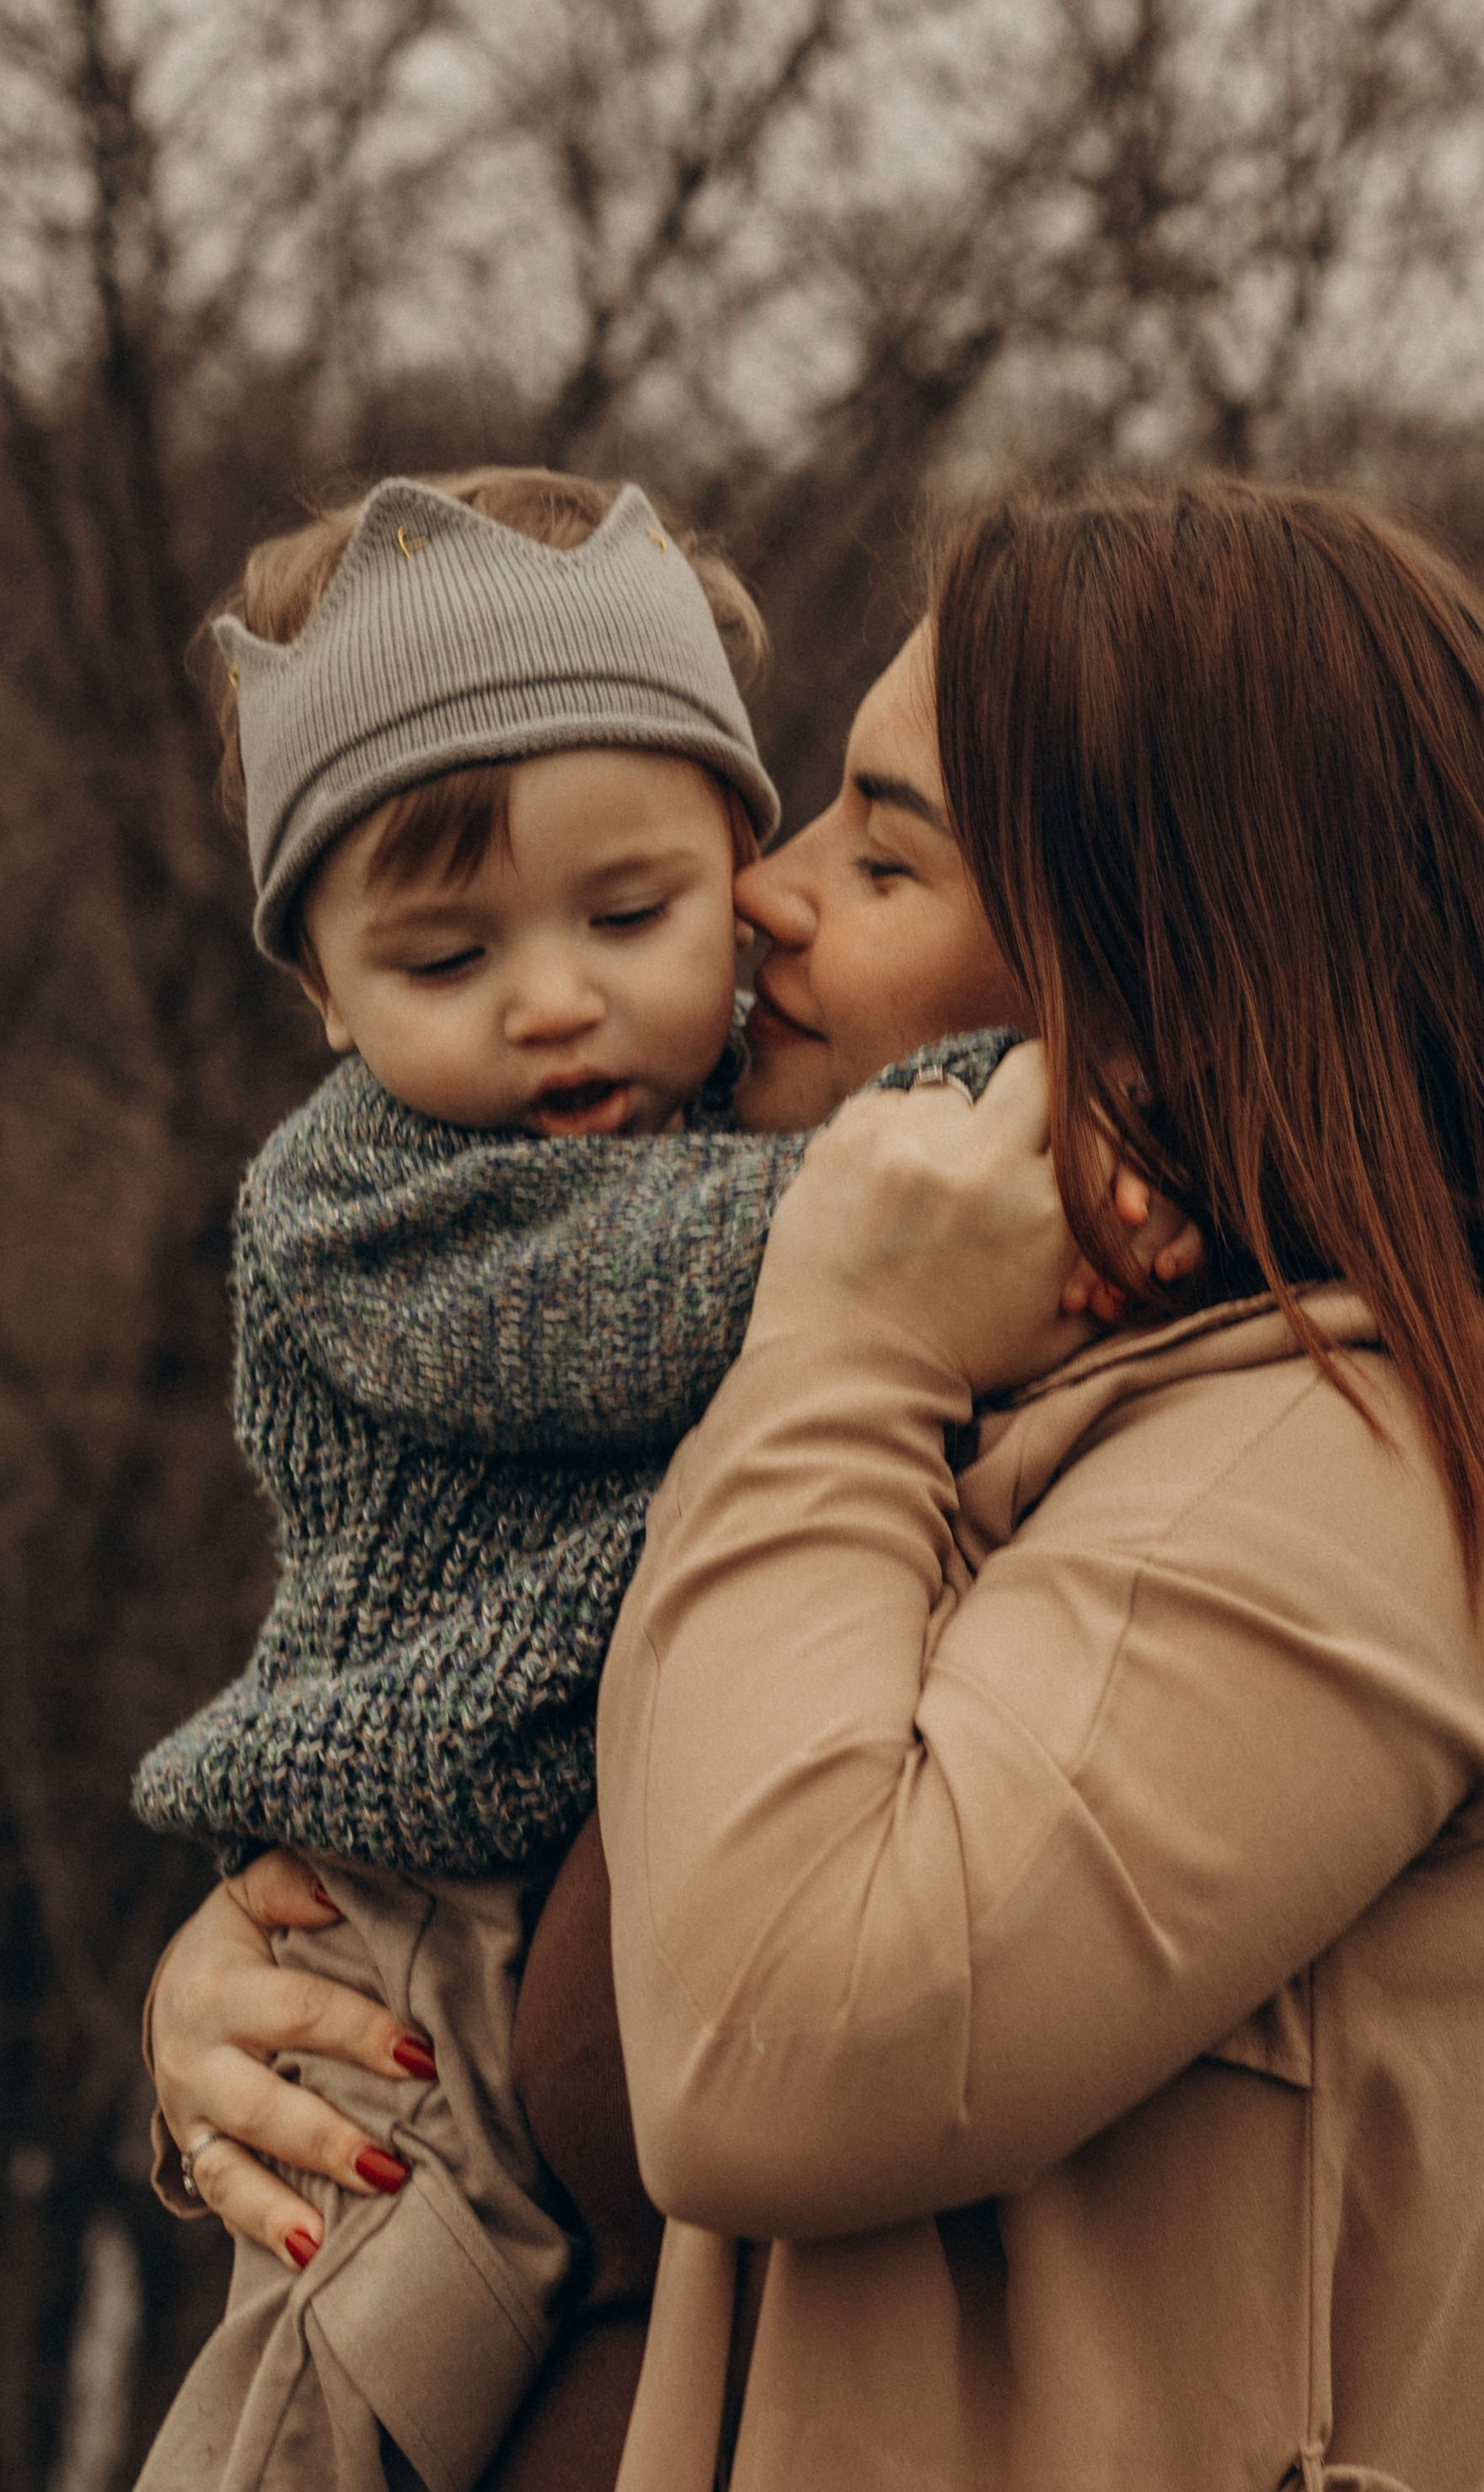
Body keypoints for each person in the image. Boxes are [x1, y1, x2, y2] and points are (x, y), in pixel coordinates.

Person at [145, 476, 1484, 2492]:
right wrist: (266, 1975)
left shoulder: (1395, 1465)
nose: (767, 896)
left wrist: (850, 1331)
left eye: (880, 853)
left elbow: (779, 2047)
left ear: (1168, 953)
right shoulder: (998, 1411)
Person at [128, 463, 1014, 2492]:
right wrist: (979, 1132)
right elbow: (640, 1291)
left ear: (737, 863)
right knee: (337, 2370)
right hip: (404, 1899)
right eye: (443, 960)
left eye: (628, 915)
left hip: (581, 1883)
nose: (551, 999)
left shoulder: (735, 1103)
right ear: (324, 995)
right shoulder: (361, 1205)